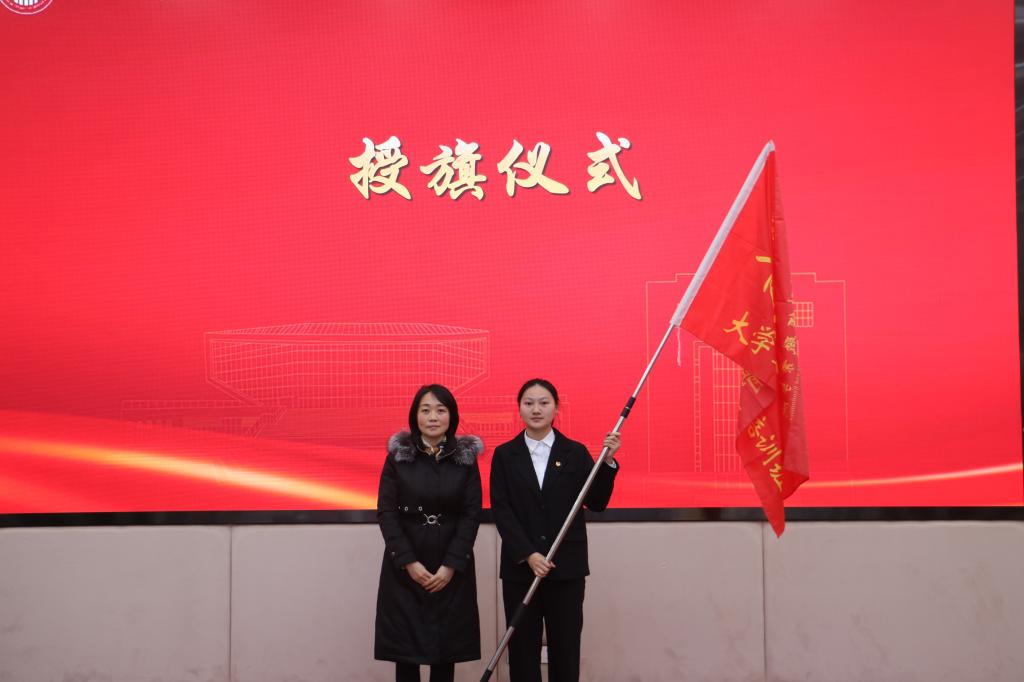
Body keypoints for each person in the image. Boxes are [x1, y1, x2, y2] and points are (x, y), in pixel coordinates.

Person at [489, 378, 621, 682]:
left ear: (556, 408)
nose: (536, 409)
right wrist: (528, 554)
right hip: (521, 570)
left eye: (544, 403)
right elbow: (502, 510)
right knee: (522, 651)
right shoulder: (505, 455)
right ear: (519, 408)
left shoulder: (574, 452)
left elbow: (596, 502)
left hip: (566, 569)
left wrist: (607, 461)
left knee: (565, 648)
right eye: (529, 403)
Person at [374, 384, 484, 682]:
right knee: (405, 655)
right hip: (405, 566)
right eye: (425, 410)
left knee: (444, 654)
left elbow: (471, 515)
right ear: (415, 416)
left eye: (440, 410)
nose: (433, 417)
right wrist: (408, 562)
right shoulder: (398, 457)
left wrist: (450, 566)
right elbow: (386, 512)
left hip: (450, 565)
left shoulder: (465, 459)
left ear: (452, 416)